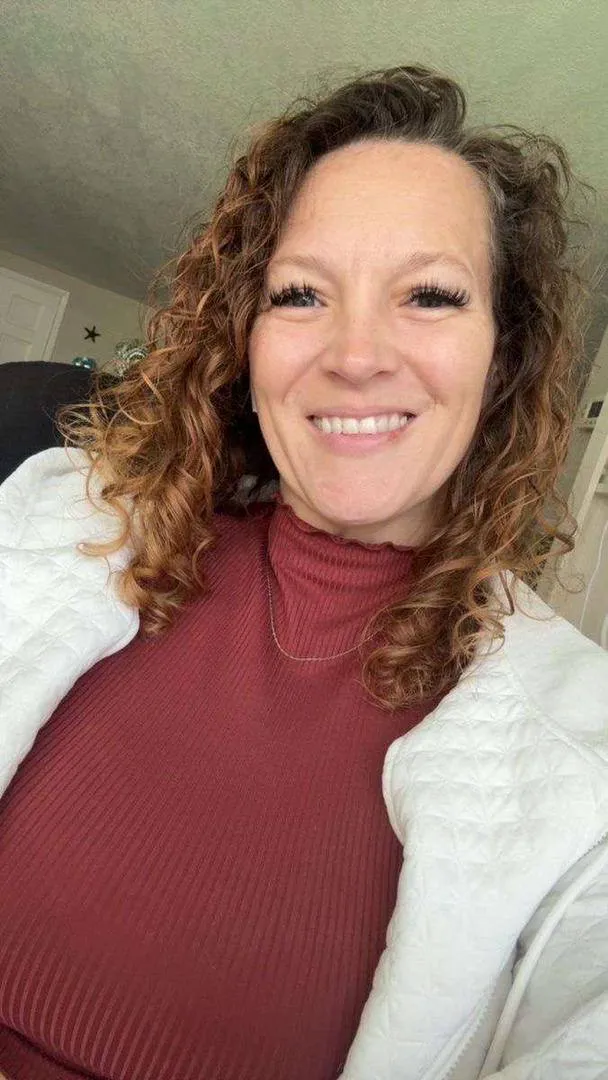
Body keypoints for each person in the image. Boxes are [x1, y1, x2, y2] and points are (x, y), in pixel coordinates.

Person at [0, 63, 607, 1080]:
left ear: (502, 357)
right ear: (246, 342)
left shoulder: (585, 752)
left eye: (428, 295)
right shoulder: (51, 520)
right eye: (300, 294)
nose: (355, 354)